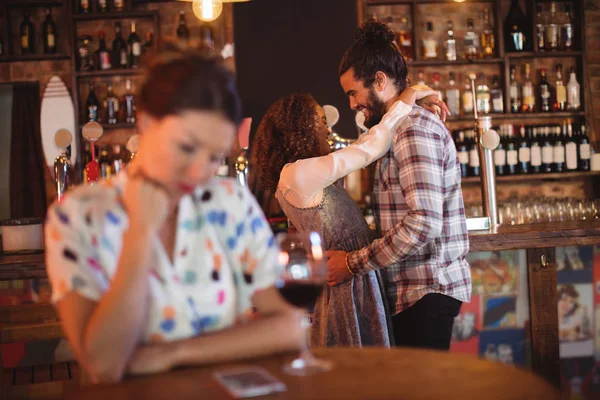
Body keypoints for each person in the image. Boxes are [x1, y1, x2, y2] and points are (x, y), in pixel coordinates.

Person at [44, 48, 302, 384]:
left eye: (214, 156)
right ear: (147, 123)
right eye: (187, 147)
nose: (198, 171)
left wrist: (172, 354)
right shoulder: (78, 215)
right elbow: (103, 365)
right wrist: (140, 231)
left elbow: (290, 327)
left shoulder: (228, 201)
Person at [251, 85, 446, 347]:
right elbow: (368, 149)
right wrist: (408, 97)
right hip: (349, 282)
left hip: (356, 275)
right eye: (320, 120)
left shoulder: (303, 175)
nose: (327, 129)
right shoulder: (296, 174)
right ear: (299, 129)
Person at [326, 19, 471, 351]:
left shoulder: (413, 129)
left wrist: (351, 264)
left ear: (379, 80)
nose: (351, 104)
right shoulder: (397, 127)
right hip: (416, 292)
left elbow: (423, 224)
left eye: (353, 92)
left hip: (426, 291)